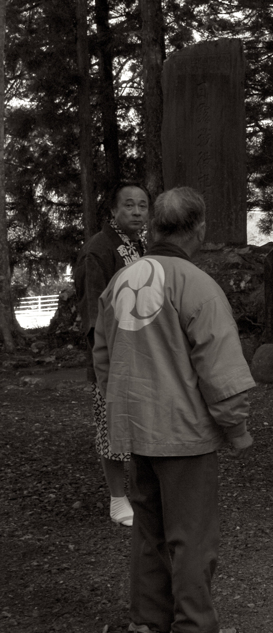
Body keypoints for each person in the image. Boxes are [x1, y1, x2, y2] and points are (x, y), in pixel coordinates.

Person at [92, 187, 254, 633]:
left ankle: (146, 627)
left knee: (149, 531)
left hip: (134, 429)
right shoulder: (196, 283)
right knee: (192, 534)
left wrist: (119, 410)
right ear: (198, 228)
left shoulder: (122, 280)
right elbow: (219, 367)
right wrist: (236, 427)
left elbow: (103, 358)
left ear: (155, 227)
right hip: (182, 433)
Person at [74, 181, 150, 527]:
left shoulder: (141, 245)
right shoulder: (99, 250)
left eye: (143, 206)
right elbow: (92, 312)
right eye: (129, 206)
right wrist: (104, 358)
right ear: (114, 211)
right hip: (113, 351)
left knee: (144, 424)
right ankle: (117, 498)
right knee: (112, 428)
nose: (137, 212)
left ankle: (143, 492)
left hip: (146, 349)